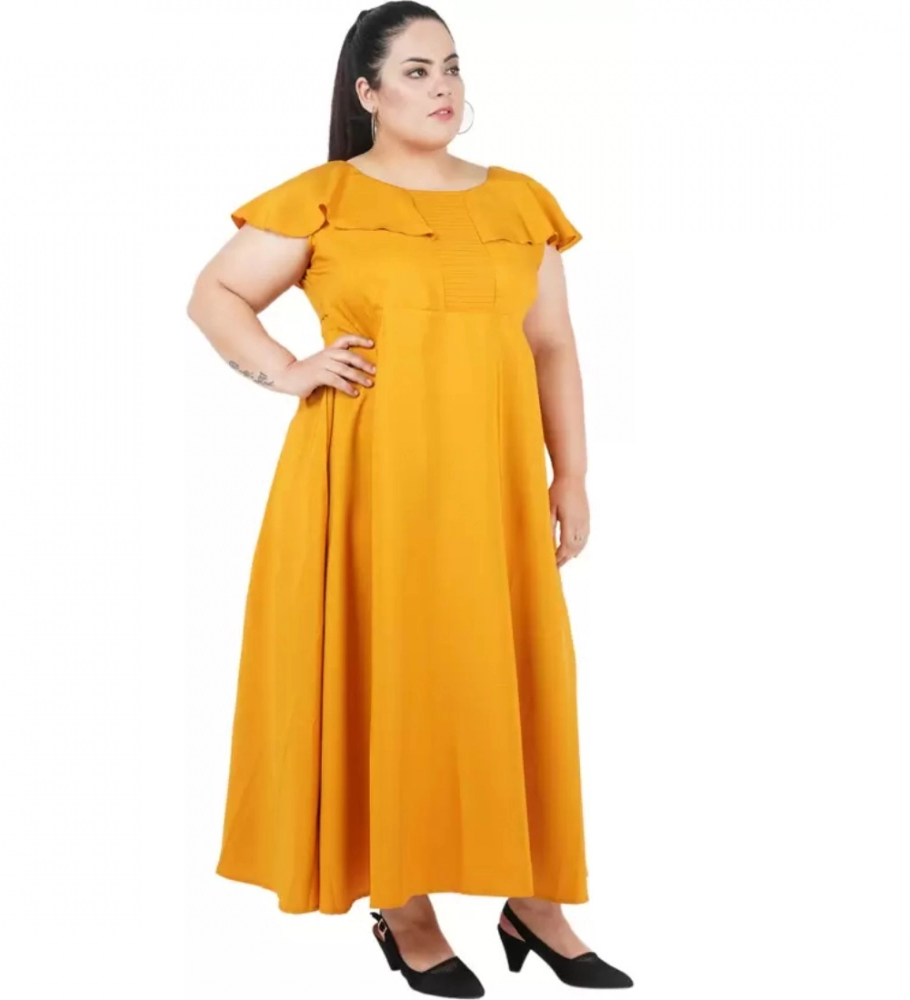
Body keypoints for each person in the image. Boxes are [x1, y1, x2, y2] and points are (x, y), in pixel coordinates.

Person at [186, 3, 632, 995]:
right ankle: (404, 905)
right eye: (418, 70)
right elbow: (214, 295)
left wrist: (571, 474)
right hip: (367, 482)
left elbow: (552, 346)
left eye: (453, 67)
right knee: (391, 671)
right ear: (368, 92)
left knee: (505, 675)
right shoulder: (326, 197)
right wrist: (287, 369)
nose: (443, 87)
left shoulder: (519, 200)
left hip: (494, 485)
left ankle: (533, 898)